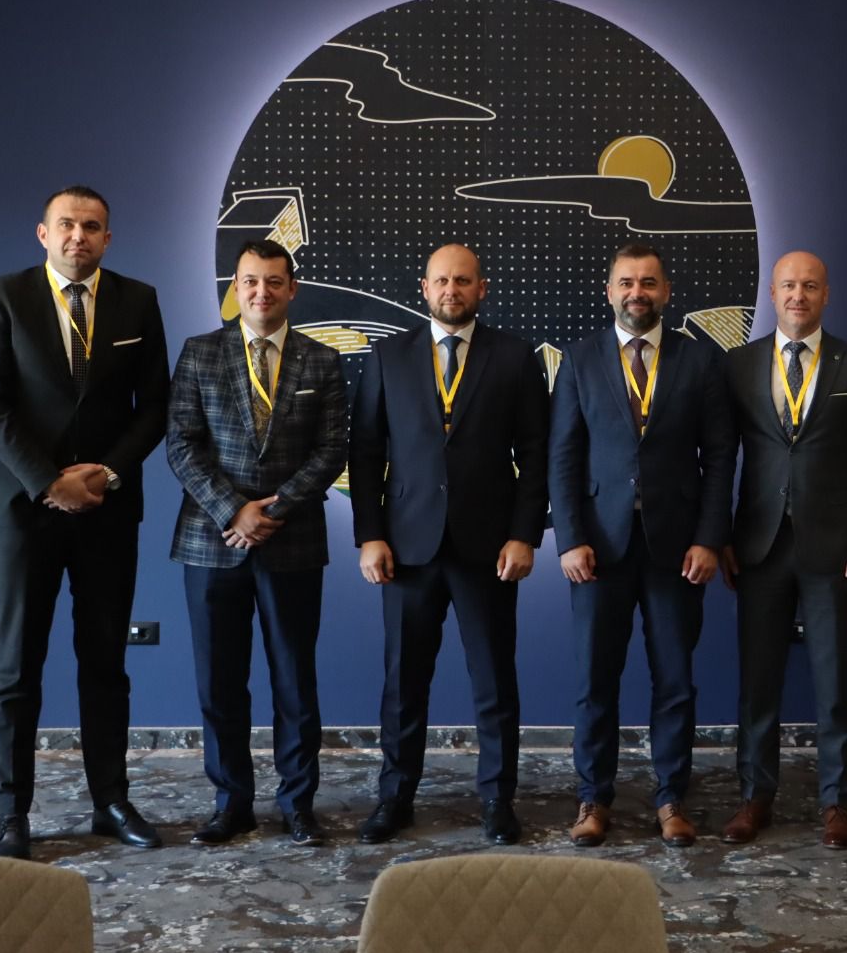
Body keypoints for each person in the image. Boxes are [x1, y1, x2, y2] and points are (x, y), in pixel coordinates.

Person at [0, 185, 169, 860]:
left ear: (108, 238)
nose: (78, 235)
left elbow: (155, 406)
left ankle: (110, 801)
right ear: (43, 233)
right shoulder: (3, 297)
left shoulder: (137, 300)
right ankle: (12, 814)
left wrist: (104, 475)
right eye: (66, 224)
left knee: (106, 663)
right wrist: (49, 481)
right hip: (25, 510)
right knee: (17, 668)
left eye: (91, 226)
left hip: (107, 510)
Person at [349, 244, 549, 846]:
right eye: (441, 280)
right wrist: (370, 535)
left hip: (488, 549)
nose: (451, 290)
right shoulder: (388, 356)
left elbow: (537, 454)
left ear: (481, 288)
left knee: (494, 683)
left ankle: (498, 800)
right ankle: (395, 797)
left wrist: (524, 534)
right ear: (424, 287)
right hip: (406, 548)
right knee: (403, 686)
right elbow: (365, 454)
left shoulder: (514, 357)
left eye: (463, 281)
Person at [547, 243, 735, 847]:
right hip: (598, 552)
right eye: (626, 282)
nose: (637, 293)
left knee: (675, 682)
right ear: (609, 291)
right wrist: (570, 539)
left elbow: (721, 459)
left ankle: (671, 798)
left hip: (676, 551)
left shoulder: (701, 361)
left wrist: (709, 539)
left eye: (648, 282)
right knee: (594, 683)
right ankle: (592, 799)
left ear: (666, 291)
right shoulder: (579, 360)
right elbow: (563, 457)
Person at [165, 239, 347, 848]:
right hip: (212, 540)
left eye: (273, 281)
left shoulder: (322, 361)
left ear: (292, 288)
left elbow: (332, 450)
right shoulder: (199, 353)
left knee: (295, 681)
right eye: (250, 281)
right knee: (219, 683)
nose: (261, 292)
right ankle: (231, 804)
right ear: (235, 288)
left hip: (292, 539)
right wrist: (233, 510)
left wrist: (274, 509)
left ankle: (298, 804)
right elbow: (181, 445)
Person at [719, 251, 847, 850]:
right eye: (789, 285)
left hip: (835, 547)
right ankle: (754, 797)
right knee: (757, 682)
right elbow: (720, 457)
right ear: (773, 293)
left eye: (811, 286)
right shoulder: (739, 364)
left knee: (835, 680)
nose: (799, 295)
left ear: (826, 295)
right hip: (758, 546)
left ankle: (837, 802)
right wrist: (720, 536)